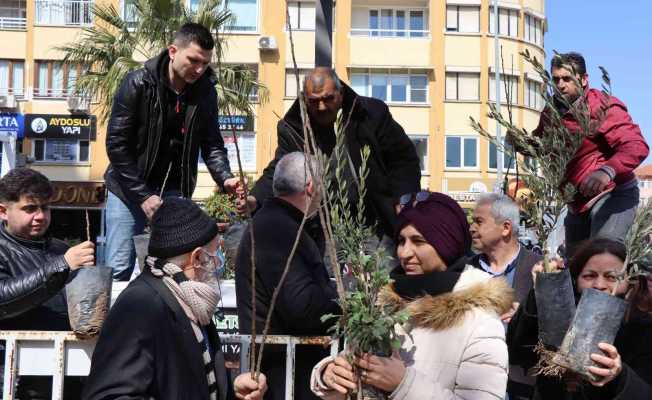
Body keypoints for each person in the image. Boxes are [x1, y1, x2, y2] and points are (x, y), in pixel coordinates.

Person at [311, 192, 513, 399]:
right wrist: (330, 377)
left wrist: (404, 384)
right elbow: (352, 369)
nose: (404, 253)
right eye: (401, 241)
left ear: (447, 244)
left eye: (418, 241)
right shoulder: (382, 305)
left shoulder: (479, 319)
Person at [83, 197, 266, 400]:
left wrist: (230, 390)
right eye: (216, 253)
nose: (219, 263)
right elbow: (108, 395)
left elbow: (185, 381)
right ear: (197, 258)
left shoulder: (189, 299)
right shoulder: (140, 305)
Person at [104, 22, 240, 281]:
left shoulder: (205, 93)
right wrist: (143, 195)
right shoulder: (137, 83)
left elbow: (212, 144)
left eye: (205, 63)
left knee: (177, 270)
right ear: (172, 51)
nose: (199, 69)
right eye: (193, 60)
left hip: (175, 193)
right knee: (119, 269)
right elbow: (116, 145)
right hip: (128, 190)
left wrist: (226, 178)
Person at [240, 67, 421, 246]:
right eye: (313, 101)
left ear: (340, 94)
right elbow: (281, 171)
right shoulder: (294, 129)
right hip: (323, 230)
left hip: (376, 224)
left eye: (328, 99)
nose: (321, 107)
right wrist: (254, 199)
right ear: (304, 99)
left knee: (381, 273)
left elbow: (403, 159)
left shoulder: (370, 115)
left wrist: (404, 199)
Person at [236, 152, 341, 400]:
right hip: (283, 377)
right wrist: (340, 307)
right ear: (312, 187)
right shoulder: (277, 228)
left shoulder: (278, 223)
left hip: (285, 371)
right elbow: (302, 306)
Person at [527, 52, 648, 257]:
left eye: (567, 78)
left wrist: (606, 171)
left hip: (612, 196)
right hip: (576, 205)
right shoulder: (550, 113)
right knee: (575, 270)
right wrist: (522, 143)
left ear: (584, 80)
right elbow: (542, 147)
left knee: (602, 257)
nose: (561, 84)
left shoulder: (603, 106)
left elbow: (636, 146)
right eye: (556, 79)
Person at [508, 238, 652, 399]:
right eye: (589, 276)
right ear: (575, 280)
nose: (599, 284)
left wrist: (619, 375)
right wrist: (539, 293)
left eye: (612, 277)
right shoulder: (559, 316)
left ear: (631, 282)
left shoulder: (644, 331)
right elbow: (517, 352)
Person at [0, 167, 95, 398]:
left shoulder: (60, 249)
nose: (41, 216)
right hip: (15, 381)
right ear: (3, 211)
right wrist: (62, 266)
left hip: (68, 374)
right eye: (30, 208)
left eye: (45, 207)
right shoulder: (63, 257)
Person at [469, 193, 541, 399]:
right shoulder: (466, 270)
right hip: (475, 384)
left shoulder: (541, 269)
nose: (472, 228)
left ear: (506, 228)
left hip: (524, 386)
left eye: (479, 221)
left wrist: (525, 316)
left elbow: (558, 331)